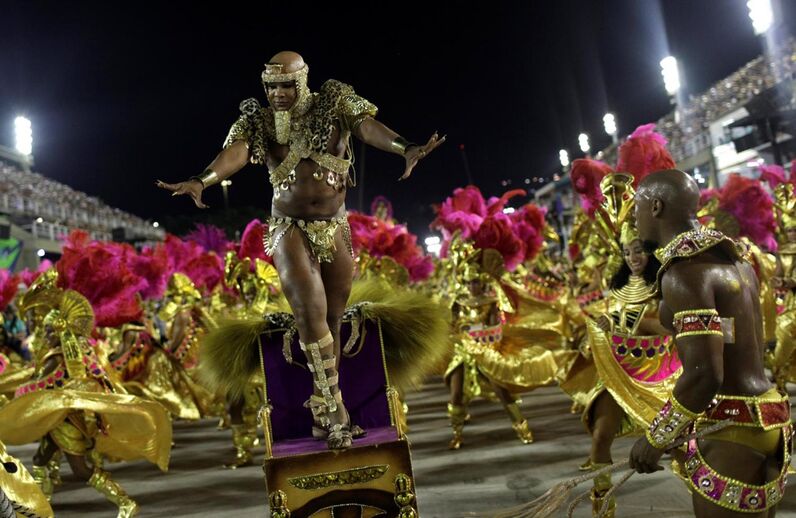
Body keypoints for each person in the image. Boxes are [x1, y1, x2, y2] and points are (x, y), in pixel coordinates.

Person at [157, 51, 444, 449]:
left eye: (285, 85)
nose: (277, 93)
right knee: (310, 312)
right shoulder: (257, 119)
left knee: (332, 318)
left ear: (303, 79)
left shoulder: (335, 102)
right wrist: (202, 179)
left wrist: (403, 147)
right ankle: (333, 410)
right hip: (288, 228)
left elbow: (366, 127)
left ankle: (325, 407)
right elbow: (236, 151)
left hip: (337, 226)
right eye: (270, 86)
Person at [629, 169, 790, 516]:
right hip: (770, 416)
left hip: (733, 428)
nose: (633, 217)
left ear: (656, 207)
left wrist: (656, 437)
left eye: (637, 207)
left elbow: (705, 374)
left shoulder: (685, 272)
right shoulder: (735, 260)